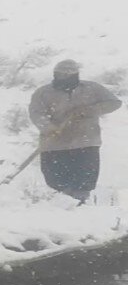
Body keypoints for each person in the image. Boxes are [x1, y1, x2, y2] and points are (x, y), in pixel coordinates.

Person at [29, 59, 122, 204]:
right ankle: (58, 208)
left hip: (85, 143)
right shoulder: (43, 93)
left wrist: (89, 110)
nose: (62, 78)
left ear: (75, 76)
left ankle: (80, 208)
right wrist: (49, 128)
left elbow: (114, 103)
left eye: (67, 75)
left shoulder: (92, 88)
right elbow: (36, 114)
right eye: (59, 75)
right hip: (54, 145)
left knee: (83, 182)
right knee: (56, 183)